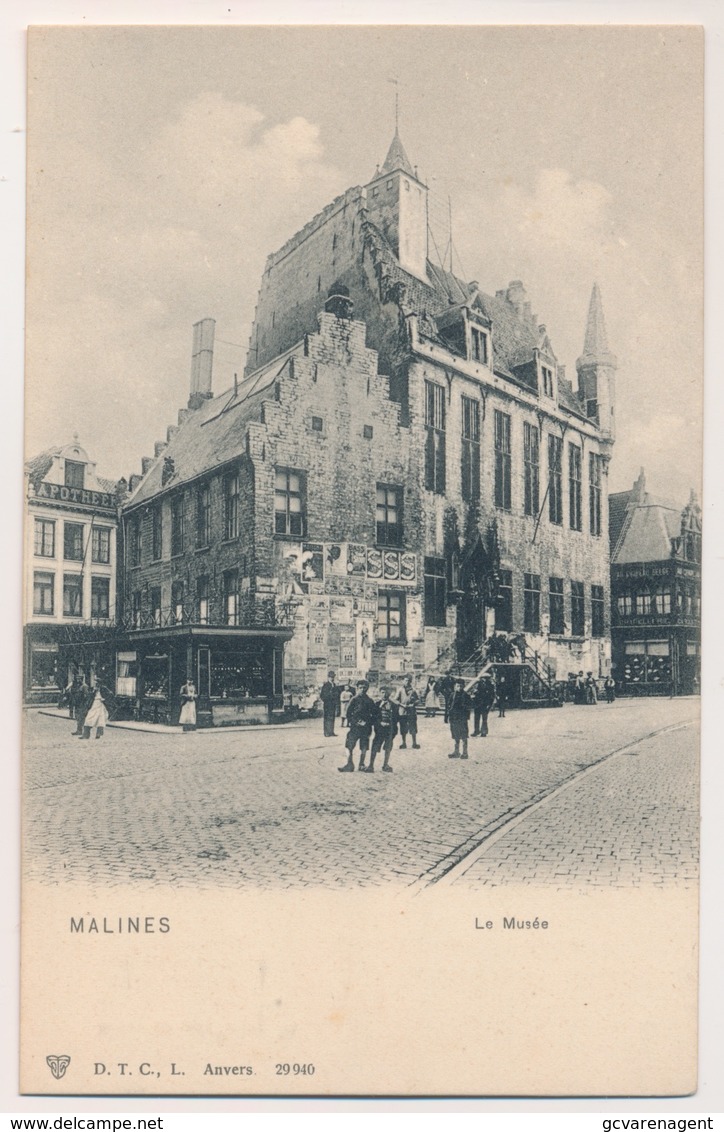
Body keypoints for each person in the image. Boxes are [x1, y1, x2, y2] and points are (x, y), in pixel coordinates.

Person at [338, 680, 376, 772]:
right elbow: (348, 714)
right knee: (349, 746)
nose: (362, 689)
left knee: (364, 747)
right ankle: (349, 764)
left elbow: (374, 715)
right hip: (355, 728)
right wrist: (355, 722)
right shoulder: (354, 699)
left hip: (366, 728)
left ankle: (361, 764)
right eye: (360, 688)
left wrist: (367, 723)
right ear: (357, 688)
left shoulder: (370, 701)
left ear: (367, 688)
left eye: (364, 688)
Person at [366, 686, 397, 773]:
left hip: (389, 730)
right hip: (379, 730)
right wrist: (379, 723)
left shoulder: (393, 705)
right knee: (375, 747)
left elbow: (396, 719)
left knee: (388, 747)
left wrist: (393, 730)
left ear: (389, 694)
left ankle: (385, 765)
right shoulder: (376, 704)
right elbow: (373, 717)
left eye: (386, 692)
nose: (384, 694)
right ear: (380, 693)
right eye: (382, 692)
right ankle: (371, 765)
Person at [447, 678, 472, 760]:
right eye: (457, 686)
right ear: (455, 686)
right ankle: (456, 752)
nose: (459, 688)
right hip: (454, 718)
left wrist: (465, 709)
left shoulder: (465, 695)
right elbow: (448, 706)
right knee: (455, 735)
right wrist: (446, 717)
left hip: (462, 718)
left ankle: (465, 753)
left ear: (463, 686)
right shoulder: (452, 695)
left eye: (461, 686)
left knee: (464, 735)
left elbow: (470, 706)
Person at [394, 676, 420, 749]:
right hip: (402, 712)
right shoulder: (400, 690)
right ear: (403, 681)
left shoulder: (413, 690)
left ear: (410, 682)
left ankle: (414, 743)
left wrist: (414, 704)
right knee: (403, 728)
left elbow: (418, 700)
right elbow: (395, 700)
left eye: (408, 680)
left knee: (413, 727)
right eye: (405, 680)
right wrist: (401, 704)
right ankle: (403, 743)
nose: (407, 682)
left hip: (411, 712)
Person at [320, 670, 339, 737]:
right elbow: (322, 695)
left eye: (333, 677)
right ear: (328, 677)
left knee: (332, 718)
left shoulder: (334, 685)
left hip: (333, 704)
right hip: (327, 704)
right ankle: (326, 732)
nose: (332, 678)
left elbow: (337, 694)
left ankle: (331, 732)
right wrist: (327, 699)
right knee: (327, 718)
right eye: (331, 677)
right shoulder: (326, 685)